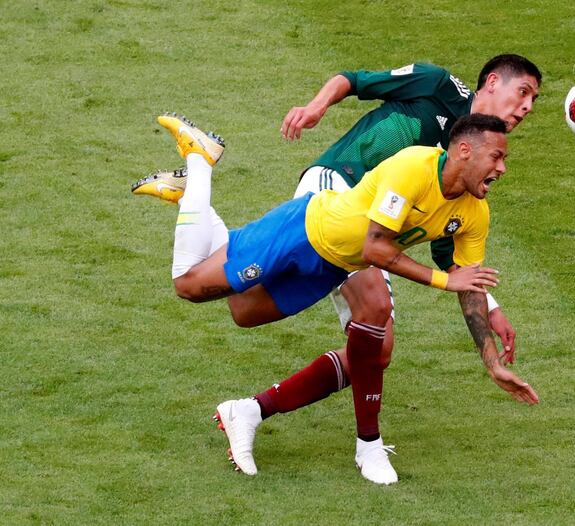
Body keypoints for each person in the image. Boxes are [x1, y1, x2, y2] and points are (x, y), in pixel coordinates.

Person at [132, 55, 542, 484]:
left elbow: (450, 249)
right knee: (374, 309)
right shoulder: (436, 89)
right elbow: (355, 79)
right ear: (493, 82)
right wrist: (315, 108)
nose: (527, 107)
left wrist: (489, 317)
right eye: (524, 92)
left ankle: (246, 408)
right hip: (337, 191)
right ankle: (368, 447)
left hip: (362, 239)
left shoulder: (467, 190)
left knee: (247, 310)